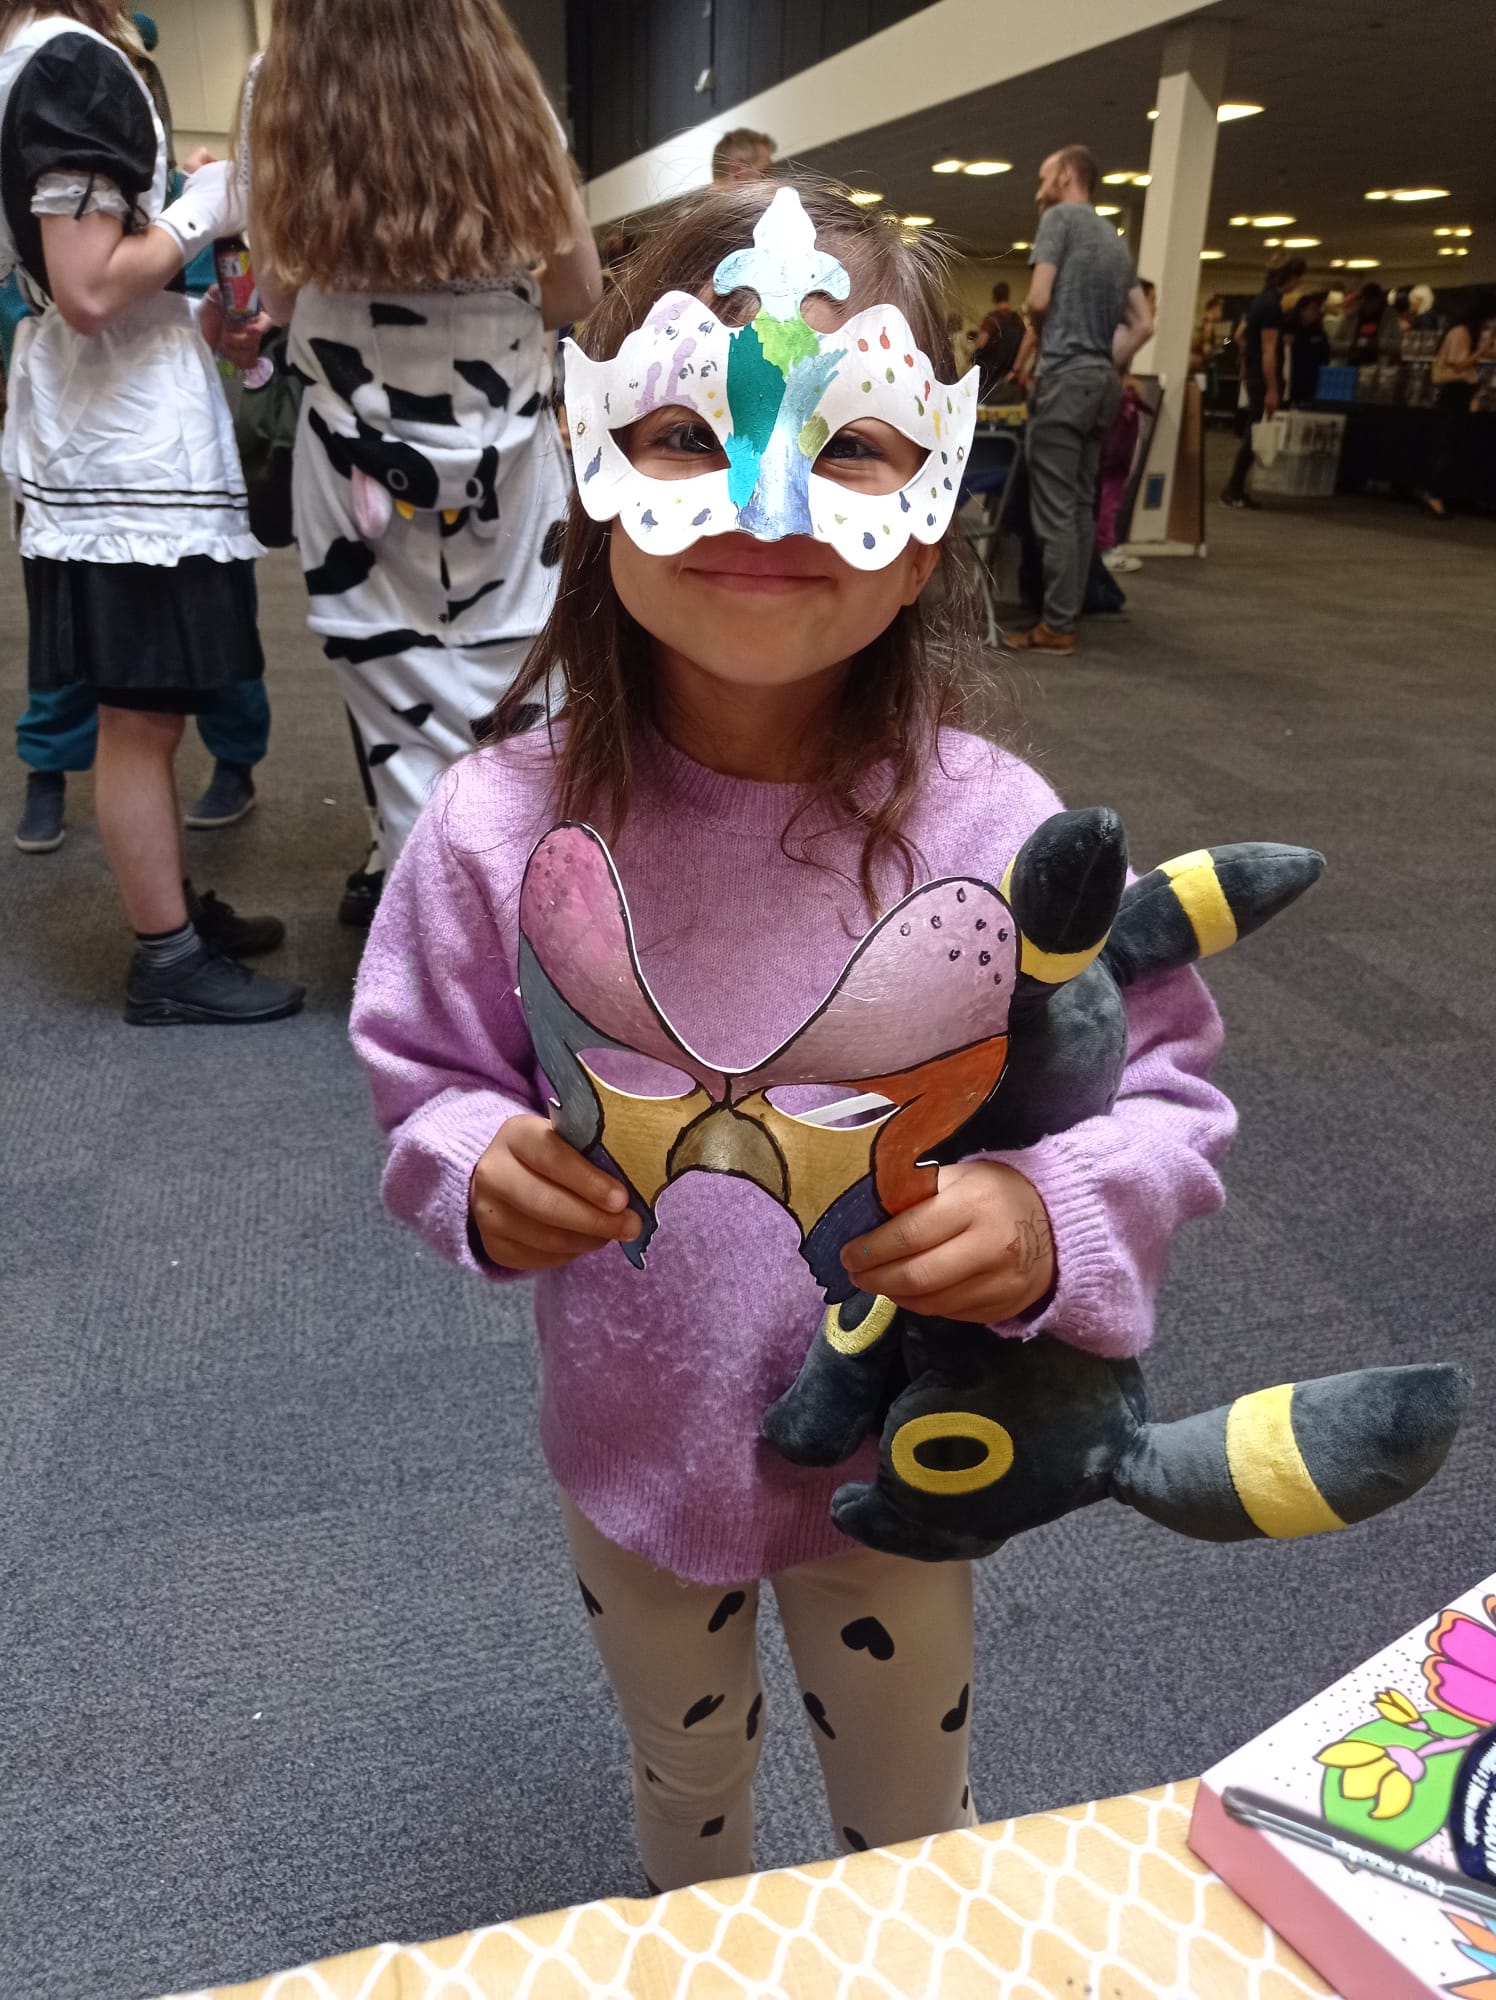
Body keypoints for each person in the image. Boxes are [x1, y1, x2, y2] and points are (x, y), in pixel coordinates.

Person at [349, 179, 1234, 1892]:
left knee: (908, 1824)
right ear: (595, 470)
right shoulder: (495, 827)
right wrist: (470, 1164)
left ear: (930, 527)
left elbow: (1159, 1082)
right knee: (684, 1781)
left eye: (853, 445)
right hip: (633, 1446)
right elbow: (427, 1069)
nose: (768, 498)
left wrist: (1051, 1212)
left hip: (897, 1451)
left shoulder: (999, 832)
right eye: (687, 429)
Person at [247, 0, 603, 882]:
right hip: (508, 469)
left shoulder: (278, 83)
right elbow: (578, 287)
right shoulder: (504, 82)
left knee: (398, 734)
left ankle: (423, 930)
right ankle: (535, 931)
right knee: (530, 721)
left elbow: (281, 296)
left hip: (355, 474)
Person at [0, 0, 301, 1023]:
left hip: (109, 433)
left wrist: (192, 308)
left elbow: (89, 284)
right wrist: (199, 212)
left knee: (152, 709)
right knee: (138, 716)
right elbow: (88, 289)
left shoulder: (42, 58)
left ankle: (171, 908)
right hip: (119, 451)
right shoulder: (69, 63)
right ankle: (165, 957)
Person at [1004, 144, 1153, 654]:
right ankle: (1070, 609)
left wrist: (1048, 339)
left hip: (1065, 382)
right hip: (1101, 387)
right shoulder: (1113, 238)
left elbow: (1038, 298)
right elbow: (1144, 323)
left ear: (1068, 175)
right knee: (1081, 504)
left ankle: (1057, 624)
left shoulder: (1058, 220)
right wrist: (1104, 363)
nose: (1038, 189)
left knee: (1054, 509)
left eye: (1044, 176)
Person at [1220, 255, 1307, 510]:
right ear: (1289, 277)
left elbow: (1239, 336)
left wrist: (1245, 360)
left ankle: (1237, 487)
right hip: (1263, 375)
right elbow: (1269, 349)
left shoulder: (1260, 300)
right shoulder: (1271, 306)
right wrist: (1272, 389)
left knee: (1253, 428)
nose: (1299, 283)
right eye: (1298, 278)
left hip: (1255, 372)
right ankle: (1234, 487)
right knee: (1255, 430)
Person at [1422, 296, 1496, 520]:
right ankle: (1434, 494)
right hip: (1454, 392)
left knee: (1456, 443)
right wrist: (1481, 351)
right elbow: (1459, 365)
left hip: (1462, 393)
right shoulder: (1460, 333)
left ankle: (1443, 494)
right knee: (1449, 443)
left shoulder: (1469, 334)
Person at [969, 280, 1023, 395]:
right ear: (1007, 296)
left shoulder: (992, 320)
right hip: (1011, 379)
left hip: (990, 381)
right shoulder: (1018, 320)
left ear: (994, 297)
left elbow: (980, 344)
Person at [1285, 291, 1331, 408]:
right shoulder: (1289, 329)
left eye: (1317, 309)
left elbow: (1325, 354)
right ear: (1302, 311)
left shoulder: (1318, 331)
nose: (1316, 312)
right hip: (1292, 379)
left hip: (1313, 380)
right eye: (1312, 309)